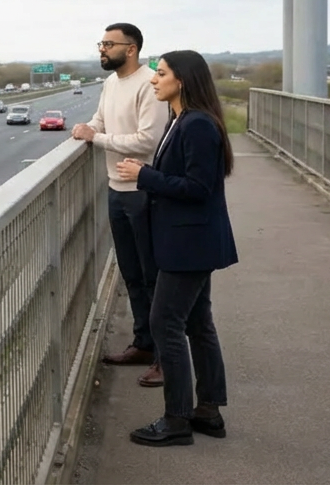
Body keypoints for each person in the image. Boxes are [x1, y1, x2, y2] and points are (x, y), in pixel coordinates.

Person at [115, 50, 239, 447]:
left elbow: (199, 189)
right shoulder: (182, 119)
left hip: (189, 243)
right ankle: (207, 411)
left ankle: (176, 419)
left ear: (182, 80)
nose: (154, 79)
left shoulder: (198, 124)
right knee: (198, 324)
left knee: (164, 323)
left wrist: (144, 175)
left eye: (161, 73)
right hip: (190, 241)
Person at [72, 23, 170, 387]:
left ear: (130, 49)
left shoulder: (148, 84)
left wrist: (96, 137)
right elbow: (100, 121)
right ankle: (143, 344)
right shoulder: (111, 83)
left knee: (152, 276)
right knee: (131, 274)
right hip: (117, 190)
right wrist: (87, 128)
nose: (102, 49)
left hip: (143, 192)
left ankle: (164, 356)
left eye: (108, 44)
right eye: (101, 42)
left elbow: (148, 140)